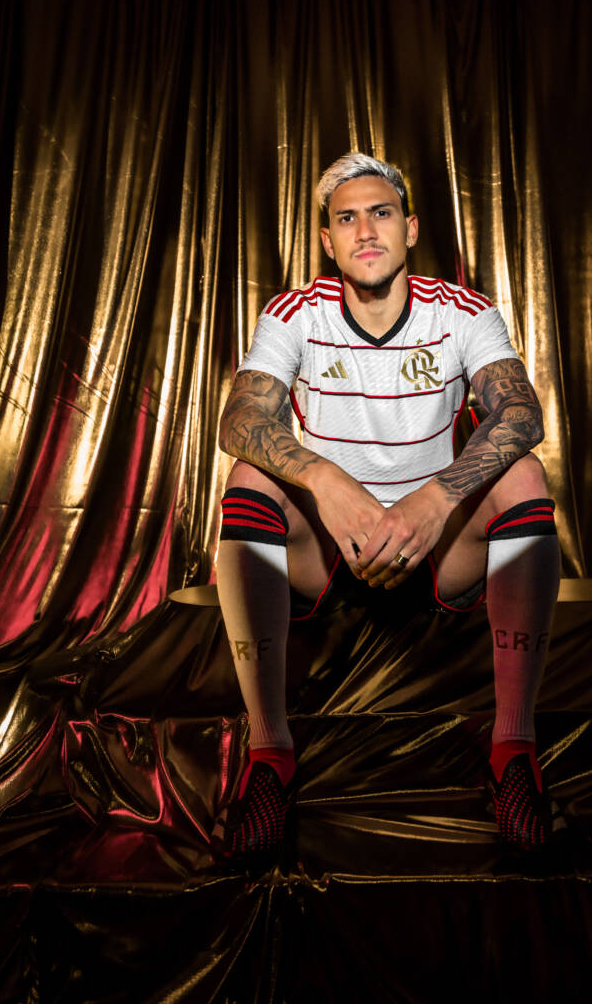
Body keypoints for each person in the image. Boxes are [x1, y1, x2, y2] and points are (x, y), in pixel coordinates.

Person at [212, 152, 560, 860]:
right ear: (327, 240)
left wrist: (436, 497)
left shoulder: (463, 311)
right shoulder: (294, 314)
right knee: (250, 477)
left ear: (411, 228)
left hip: (437, 552)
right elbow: (239, 421)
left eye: (381, 213)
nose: (366, 230)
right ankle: (270, 754)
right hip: (330, 552)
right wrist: (328, 482)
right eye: (347, 218)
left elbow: (521, 414)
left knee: (523, 475)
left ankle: (514, 751)